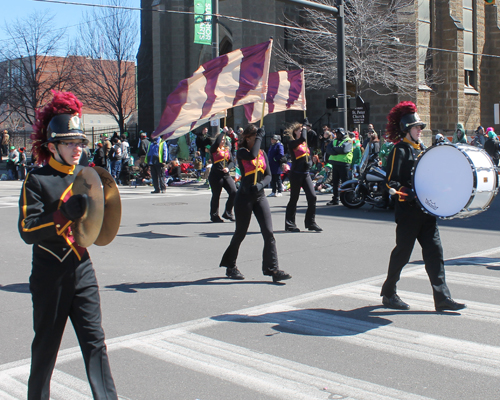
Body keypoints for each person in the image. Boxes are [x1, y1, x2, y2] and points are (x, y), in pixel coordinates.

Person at [18, 91, 117, 399]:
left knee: (95, 343)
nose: (78, 148)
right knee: (46, 348)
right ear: (52, 146)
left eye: (80, 143)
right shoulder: (36, 180)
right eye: (71, 142)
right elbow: (28, 229)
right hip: (50, 275)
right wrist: (62, 214)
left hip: (82, 269)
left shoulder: (86, 177)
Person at [380, 101, 466, 312]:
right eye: (417, 127)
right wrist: (404, 192)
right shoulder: (400, 150)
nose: (420, 130)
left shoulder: (424, 150)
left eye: (420, 127)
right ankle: (389, 292)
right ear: (406, 129)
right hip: (408, 213)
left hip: (427, 211)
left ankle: (442, 298)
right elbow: (390, 182)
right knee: (403, 253)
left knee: (435, 252)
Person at [220, 125, 291, 282]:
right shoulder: (242, 152)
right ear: (247, 138)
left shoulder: (262, 152)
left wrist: (261, 185)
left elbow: (268, 175)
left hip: (259, 196)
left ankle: (272, 269)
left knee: (268, 233)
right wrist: (259, 137)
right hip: (244, 197)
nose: (257, 139)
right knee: (240, 233)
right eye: (255, 136)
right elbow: (252, 155)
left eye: (258, 136)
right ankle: (230, 266)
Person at [284, 121, 322, 232]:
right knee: (294, 199)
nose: (303, 132)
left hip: (305, 174)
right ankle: (290, 224)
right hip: (296, 174)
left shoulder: (304, 144)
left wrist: (310, 162)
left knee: (312, 197)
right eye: (300, 130)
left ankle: (311, 222)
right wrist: (304, 127)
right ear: (295, 132)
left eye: (303, 130)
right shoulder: (292, 143)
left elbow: (308, 154)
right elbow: (302, 139)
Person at [208, 132, 237, 222]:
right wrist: (223, 132)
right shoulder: (214, 149)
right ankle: (214, 215)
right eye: (222, 140)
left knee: (234, 192)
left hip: (225, 174)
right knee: (216, 195)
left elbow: (232, 161)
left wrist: (228, 168)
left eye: (225, 140)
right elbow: (216, 143)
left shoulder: (226, 149)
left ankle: (228, 212)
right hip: (216, 175)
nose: (223, 142)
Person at [325, 127, 353, 206]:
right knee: (335, 183)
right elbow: (328, 149)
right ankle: (335, 199)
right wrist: (337, 150)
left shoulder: (348, 140)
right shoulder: (334, 141)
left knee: (346, 183)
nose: (338, 135)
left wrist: (334, 150)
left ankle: (348, 199)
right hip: (335, 164)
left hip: (344, 164)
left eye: (339, 134)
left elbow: (344, 150)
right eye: (337, 134)